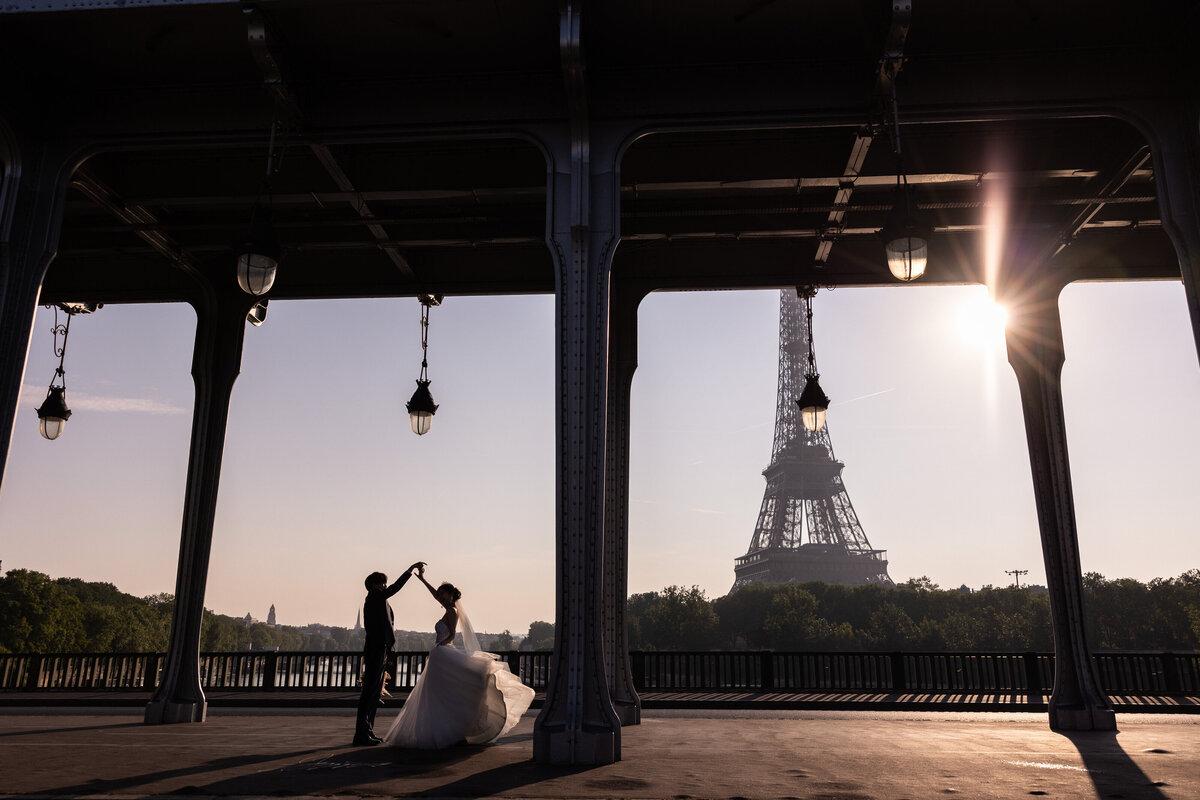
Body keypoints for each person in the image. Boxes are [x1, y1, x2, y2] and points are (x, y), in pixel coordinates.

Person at [382, 566, 534, 749]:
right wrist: (422, 580)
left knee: (443, 694)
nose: (441, 597)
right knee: (439, 695)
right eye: (440, 594)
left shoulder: (452, 612)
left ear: (451, 595)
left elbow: (453, 634)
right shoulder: (447, 609)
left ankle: (454, 729)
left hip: (442, 651)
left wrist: (440, 644)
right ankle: (445, 729)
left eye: (444, 594)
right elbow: (434, 595)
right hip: (439, 654)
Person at [353, 562, 424, 746]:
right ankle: (361, 734)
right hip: (376, 649)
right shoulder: (376, 597)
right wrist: (410, 570)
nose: (385, 585)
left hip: (380, 649)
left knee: (374, 693)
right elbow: (395, 588)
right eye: (383, 583)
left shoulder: (379, 599)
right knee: (369, 693)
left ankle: (367, 731)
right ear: (375, 585)